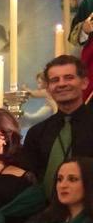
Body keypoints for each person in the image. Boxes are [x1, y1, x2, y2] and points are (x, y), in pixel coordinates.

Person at [21, 56, 93, 197]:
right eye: (55, 80)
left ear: (84, 83)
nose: (61, 84)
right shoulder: (37, 133)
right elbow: (32, 180)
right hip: (45, 208)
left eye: (68, 78)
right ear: (48, 88)